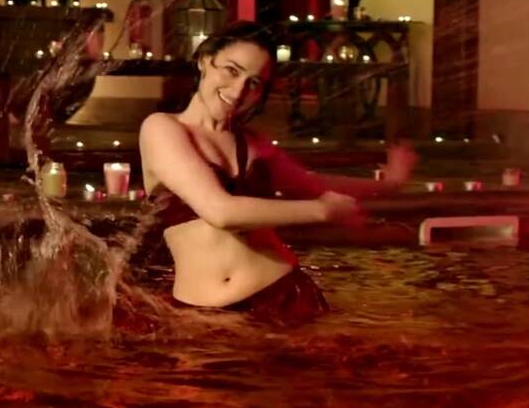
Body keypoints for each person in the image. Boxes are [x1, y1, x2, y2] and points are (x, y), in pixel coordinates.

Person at [138, 21, 416, 323]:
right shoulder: (162, 128)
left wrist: (390, 183)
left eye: (254, 83)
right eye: (231, 70)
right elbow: (220, 211)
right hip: (204, 315)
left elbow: (312, 183)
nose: (239, 90)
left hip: (287, 296)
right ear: (205, 60)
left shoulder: (253, 143)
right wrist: (322, 211)